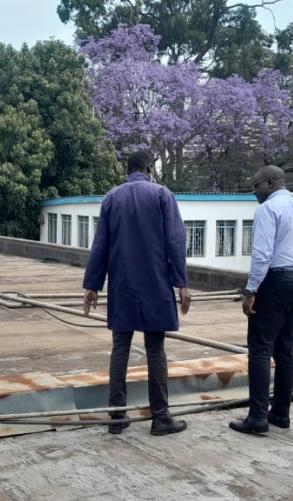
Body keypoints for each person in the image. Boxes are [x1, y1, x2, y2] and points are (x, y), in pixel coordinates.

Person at [82, 150, 192, 436]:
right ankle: (160, 417)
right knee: (155, 349)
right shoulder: (162, 195)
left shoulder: (111, 198)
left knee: (120, 348)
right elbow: (175, 241)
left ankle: (116, 416)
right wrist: (182, 283)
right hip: (156, 284)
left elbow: (100, 245)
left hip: (122, 286)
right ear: (148, 168)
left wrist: (92, 285)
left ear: (127, 169)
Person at [229, 165, 293, 435]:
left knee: (260, 348)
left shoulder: (268, 209)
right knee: (286, 348)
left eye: (256, 186)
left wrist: (251, 290)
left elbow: (262, 254)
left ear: (269, 183)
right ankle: (280, 413)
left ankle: (257, 416)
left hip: (278, 280)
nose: (254, 192)